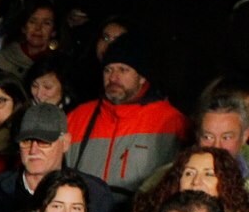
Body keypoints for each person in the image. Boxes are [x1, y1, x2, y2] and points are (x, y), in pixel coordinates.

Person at [67, 34, 189, 196]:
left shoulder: (171, 121)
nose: (113, 78)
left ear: (142, 77)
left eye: (123, 70)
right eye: (108, 70)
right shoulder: (78, 117)